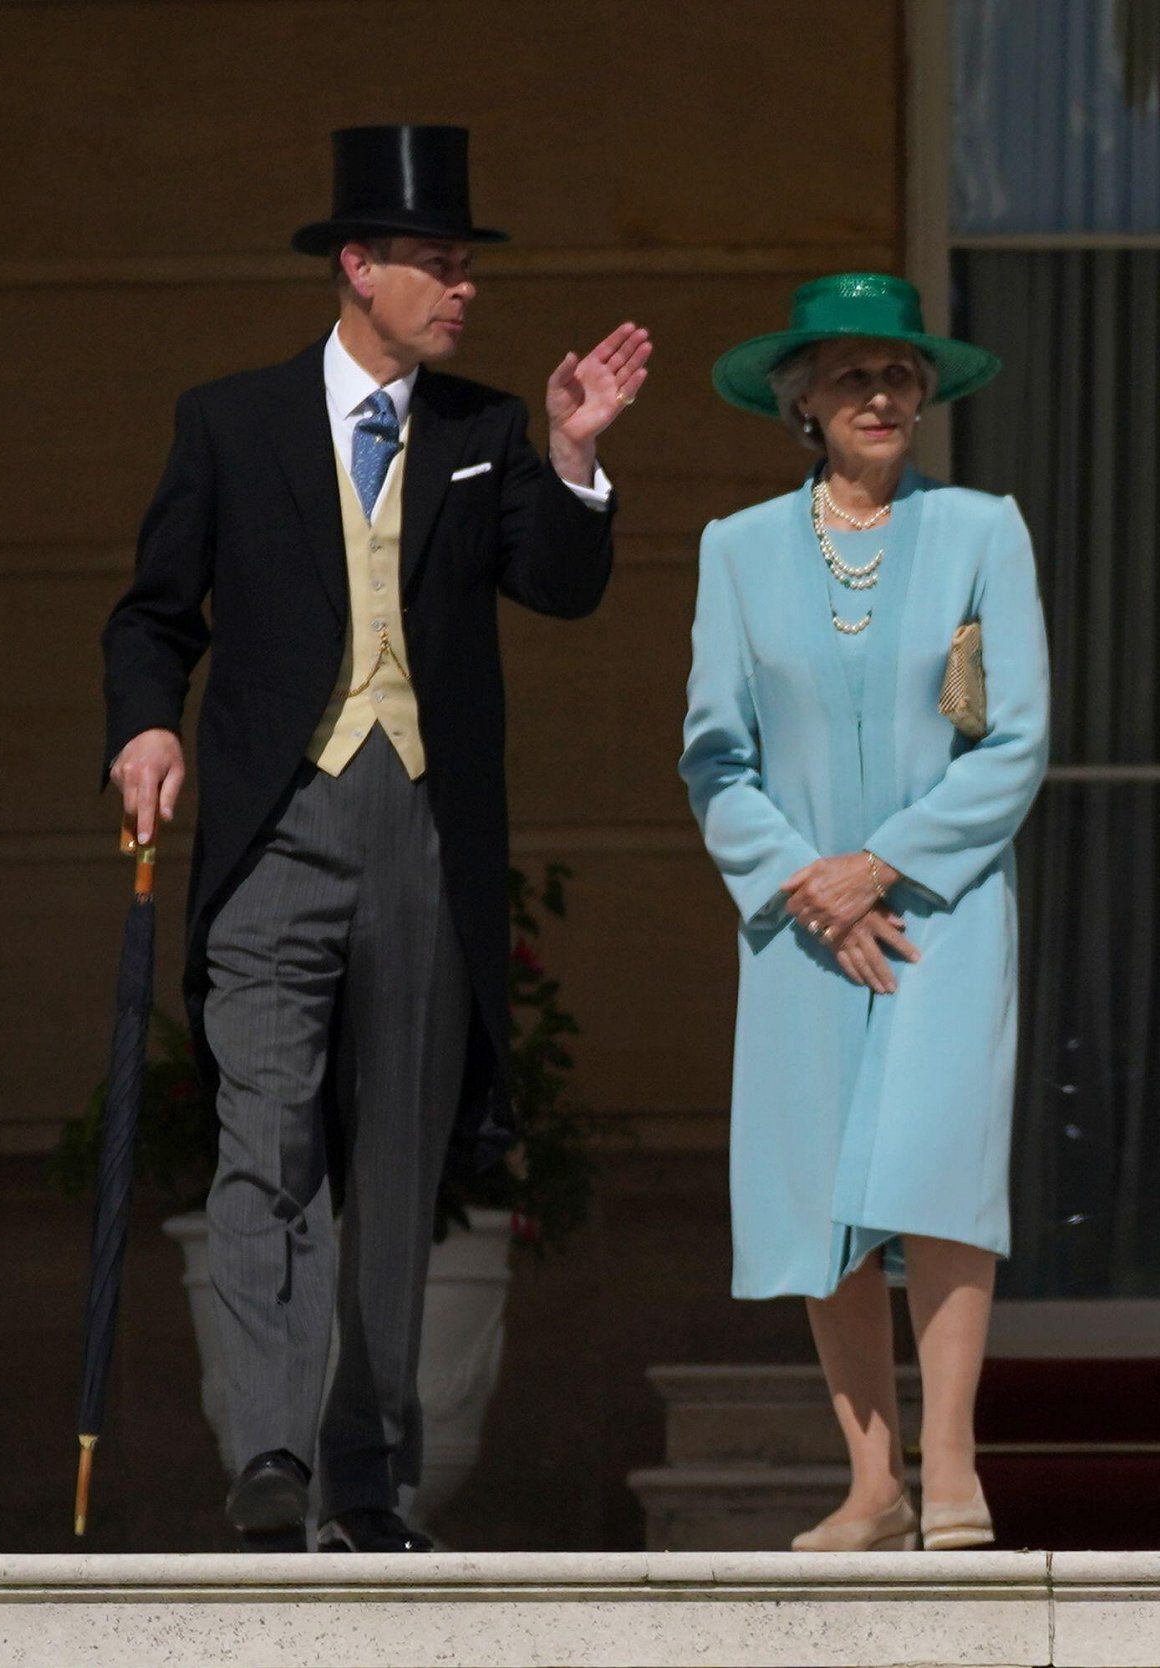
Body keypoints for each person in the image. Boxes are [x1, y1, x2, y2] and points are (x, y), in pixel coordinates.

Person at [103, 125, 650, 1552]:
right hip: (276, 827)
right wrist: (148, 727)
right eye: (437, 265)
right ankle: (272, 1453)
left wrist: (577, 458)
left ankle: (367, 1476)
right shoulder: (227, 422)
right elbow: (154, 614)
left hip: (423, 833)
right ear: (360, 267)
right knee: (262, 1144)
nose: (462, 290)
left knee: (399, 1170)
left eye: (467, 267)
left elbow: (561, 586)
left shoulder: (481, 433)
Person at [679, 273, 1048, 1552]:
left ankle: (952, 1467)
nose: (881, 395)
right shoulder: (735, 551)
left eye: (900, 375)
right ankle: (873, 1482)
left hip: (944, 902)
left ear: (927, 395)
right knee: (821, 1187)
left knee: (940, 1172)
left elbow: (1011, 744)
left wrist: (879, 867)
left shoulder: (984, 532)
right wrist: (809, 886)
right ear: (805, 405)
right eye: (852, 376)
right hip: (800, 920)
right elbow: (715, 759)